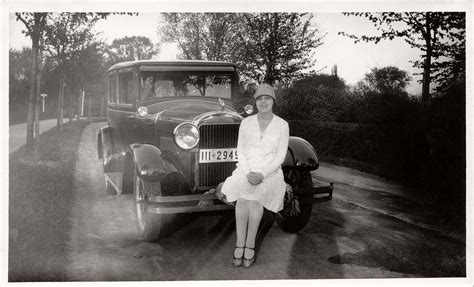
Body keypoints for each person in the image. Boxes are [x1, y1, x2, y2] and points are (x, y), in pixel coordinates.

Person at [220, 83, 289, 268]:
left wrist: (262, 174)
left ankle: (250, 244)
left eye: (267, 98)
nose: (263, 102)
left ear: (273, 101)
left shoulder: (282, 125)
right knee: (243, 200)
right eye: (260, 99)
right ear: (256, 102)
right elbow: (240, 151)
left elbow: (280, 156)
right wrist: (247, 171)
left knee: (256, 200)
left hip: (270, 173)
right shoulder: (246, 122)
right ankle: (239, 244)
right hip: (245, 170)